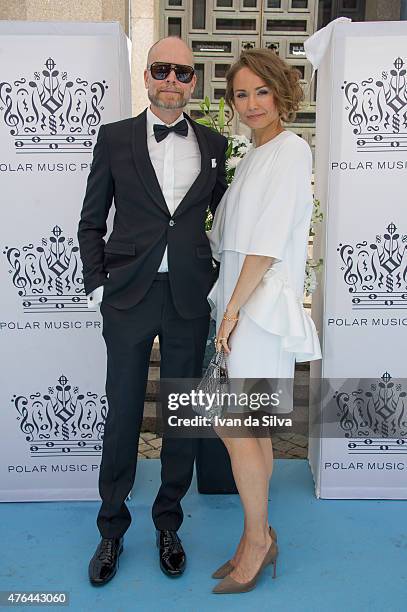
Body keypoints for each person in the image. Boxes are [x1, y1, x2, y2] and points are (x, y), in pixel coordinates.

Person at [78, 35, 228, 586]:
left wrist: (223, 284)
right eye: (161, 69)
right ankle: (111, 531)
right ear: (146, 76)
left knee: (181, 419)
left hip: (188, 299)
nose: (172, 80)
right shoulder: (114, 139)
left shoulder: (213, 145)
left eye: (182, 72)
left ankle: (169, 522)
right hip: (128, 299)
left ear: (193, 82)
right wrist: (99, 286)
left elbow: (226, 222)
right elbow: (91, 220)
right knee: (121, 417)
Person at [207, 48, 322, 594]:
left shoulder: (292, 150)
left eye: (261, 91)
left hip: (258, 310)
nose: (251, 103)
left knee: (237, 430)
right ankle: (258, 533)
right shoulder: (252, 155)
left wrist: (230, 314)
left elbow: (266, 245)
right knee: (252, 432)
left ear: (280, 92)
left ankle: (257, 540)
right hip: (240, 306)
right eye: (241, 94)